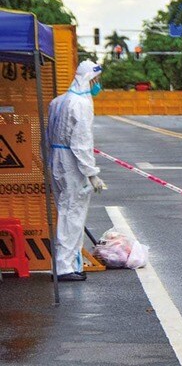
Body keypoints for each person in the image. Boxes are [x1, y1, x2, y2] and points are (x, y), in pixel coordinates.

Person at [47, 60, 105, 282]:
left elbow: (47, 135)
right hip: (72, 164)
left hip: (57, 160)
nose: (97, 84)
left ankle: (68, 263)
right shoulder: (81, 104)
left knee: (65, 211)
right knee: (73, 214)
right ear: (89, 79)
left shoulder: (58, 102)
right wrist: (92, 173)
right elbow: (81, 142)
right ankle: (65, 267)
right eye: (96, 80)